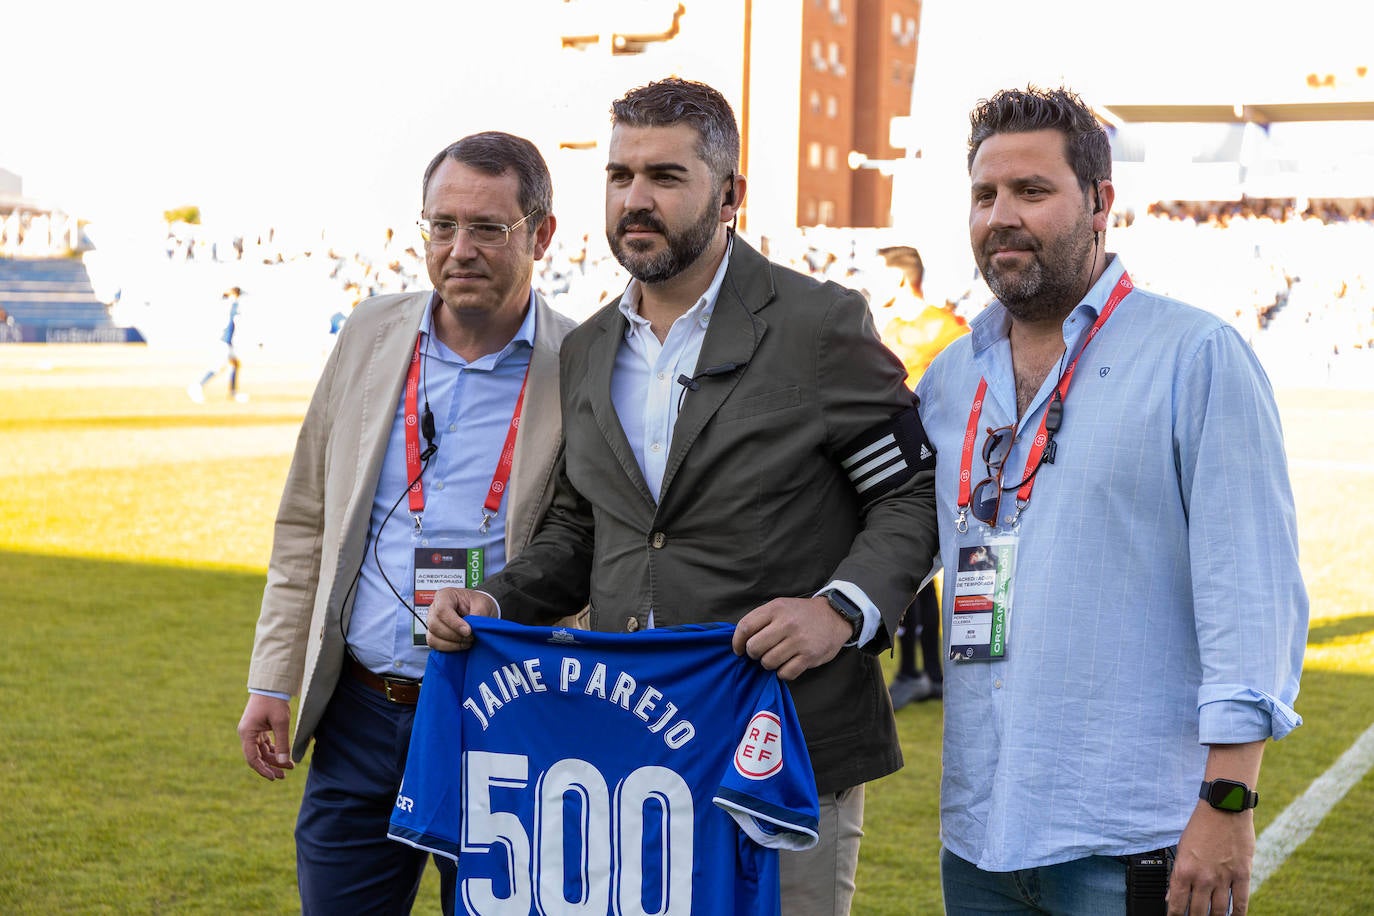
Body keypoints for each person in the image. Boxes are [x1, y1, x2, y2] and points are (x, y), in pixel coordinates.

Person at [424, 77, 938, 916]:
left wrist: (840, 610)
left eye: (665, 176)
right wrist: (496, 597)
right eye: (621, 176)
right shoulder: (587, 348)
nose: (636, 199)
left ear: (730, 193)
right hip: (630, 762)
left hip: (784, 753)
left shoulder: (820, 324)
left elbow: (913, 495)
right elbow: (583, 527)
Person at [914, 86, 1308, 915]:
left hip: (1135, 841)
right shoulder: (953, 378)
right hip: (979, 841)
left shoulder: (1195, 357)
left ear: (1100, 204)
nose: (1000, 216)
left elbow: (1250, 593)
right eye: (985, 195)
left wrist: (1228, 802)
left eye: (1032, 191)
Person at [235, 131, 578, 914]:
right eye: (442, 225)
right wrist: (272, 678)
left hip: (505, 716)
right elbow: (305, 526)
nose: (460, 248)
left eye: (488, 227)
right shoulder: (369, 333)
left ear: (542, 234)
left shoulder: (585, 361)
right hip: (360, 712)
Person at [874, 244, 968, 708]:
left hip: (943, 465)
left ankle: (927, 670)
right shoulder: (882, 327)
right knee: (912, 573)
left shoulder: (945, 328)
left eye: (879, 276)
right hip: (900, 463)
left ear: (899, 279)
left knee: (933, 573)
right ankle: (918, 669)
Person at [187, 286, 246, 403]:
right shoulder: (231, 305)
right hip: (224, 341)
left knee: (234, 364)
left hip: (228, 342)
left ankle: (232, 393)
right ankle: (197, 386)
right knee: (217, 367)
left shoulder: (229, 304)